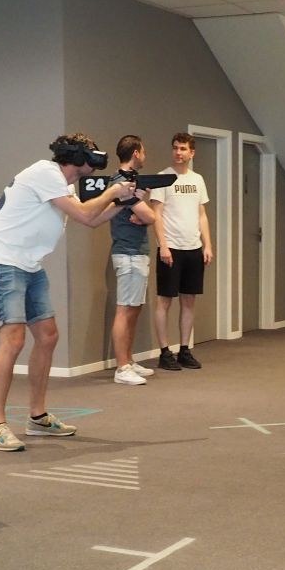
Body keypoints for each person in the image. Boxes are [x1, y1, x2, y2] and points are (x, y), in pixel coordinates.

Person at [0, 133, 138, 451]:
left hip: (29, 264)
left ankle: (37, 417)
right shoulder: (45, 173)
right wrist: (113, 192)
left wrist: (124, 201)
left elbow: (91, 219)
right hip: (4, 261)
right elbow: (84, 214)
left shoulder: (61, 185)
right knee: (14, 339)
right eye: (90, 155)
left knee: (48, 336)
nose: (95, 161)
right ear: (75, 157)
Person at [150, 132, 212, 371]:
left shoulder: (197, 180)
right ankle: (165, 352)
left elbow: (201, 215)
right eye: (175, 148)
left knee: (189, 301)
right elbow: (156, 214)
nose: (178, 152)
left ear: (191, 153)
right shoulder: (163, 178)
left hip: (193, 248)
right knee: (164, 301)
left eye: (183, 148)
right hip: (171, 249)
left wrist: (208, 244)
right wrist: (163, 245)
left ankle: (184, 350)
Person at [106, 135, 161, 385]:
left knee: (134, 309)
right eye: (144, 150)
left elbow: (144, 215)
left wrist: (143, 214)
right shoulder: (120, 183)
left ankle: (128, 360)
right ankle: (121, 368)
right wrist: (145, 214)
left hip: (138, 252)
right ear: (136, 153)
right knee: (124, 310)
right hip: (128, 253)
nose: (145, 155)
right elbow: (150, 216)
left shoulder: (131, 183)